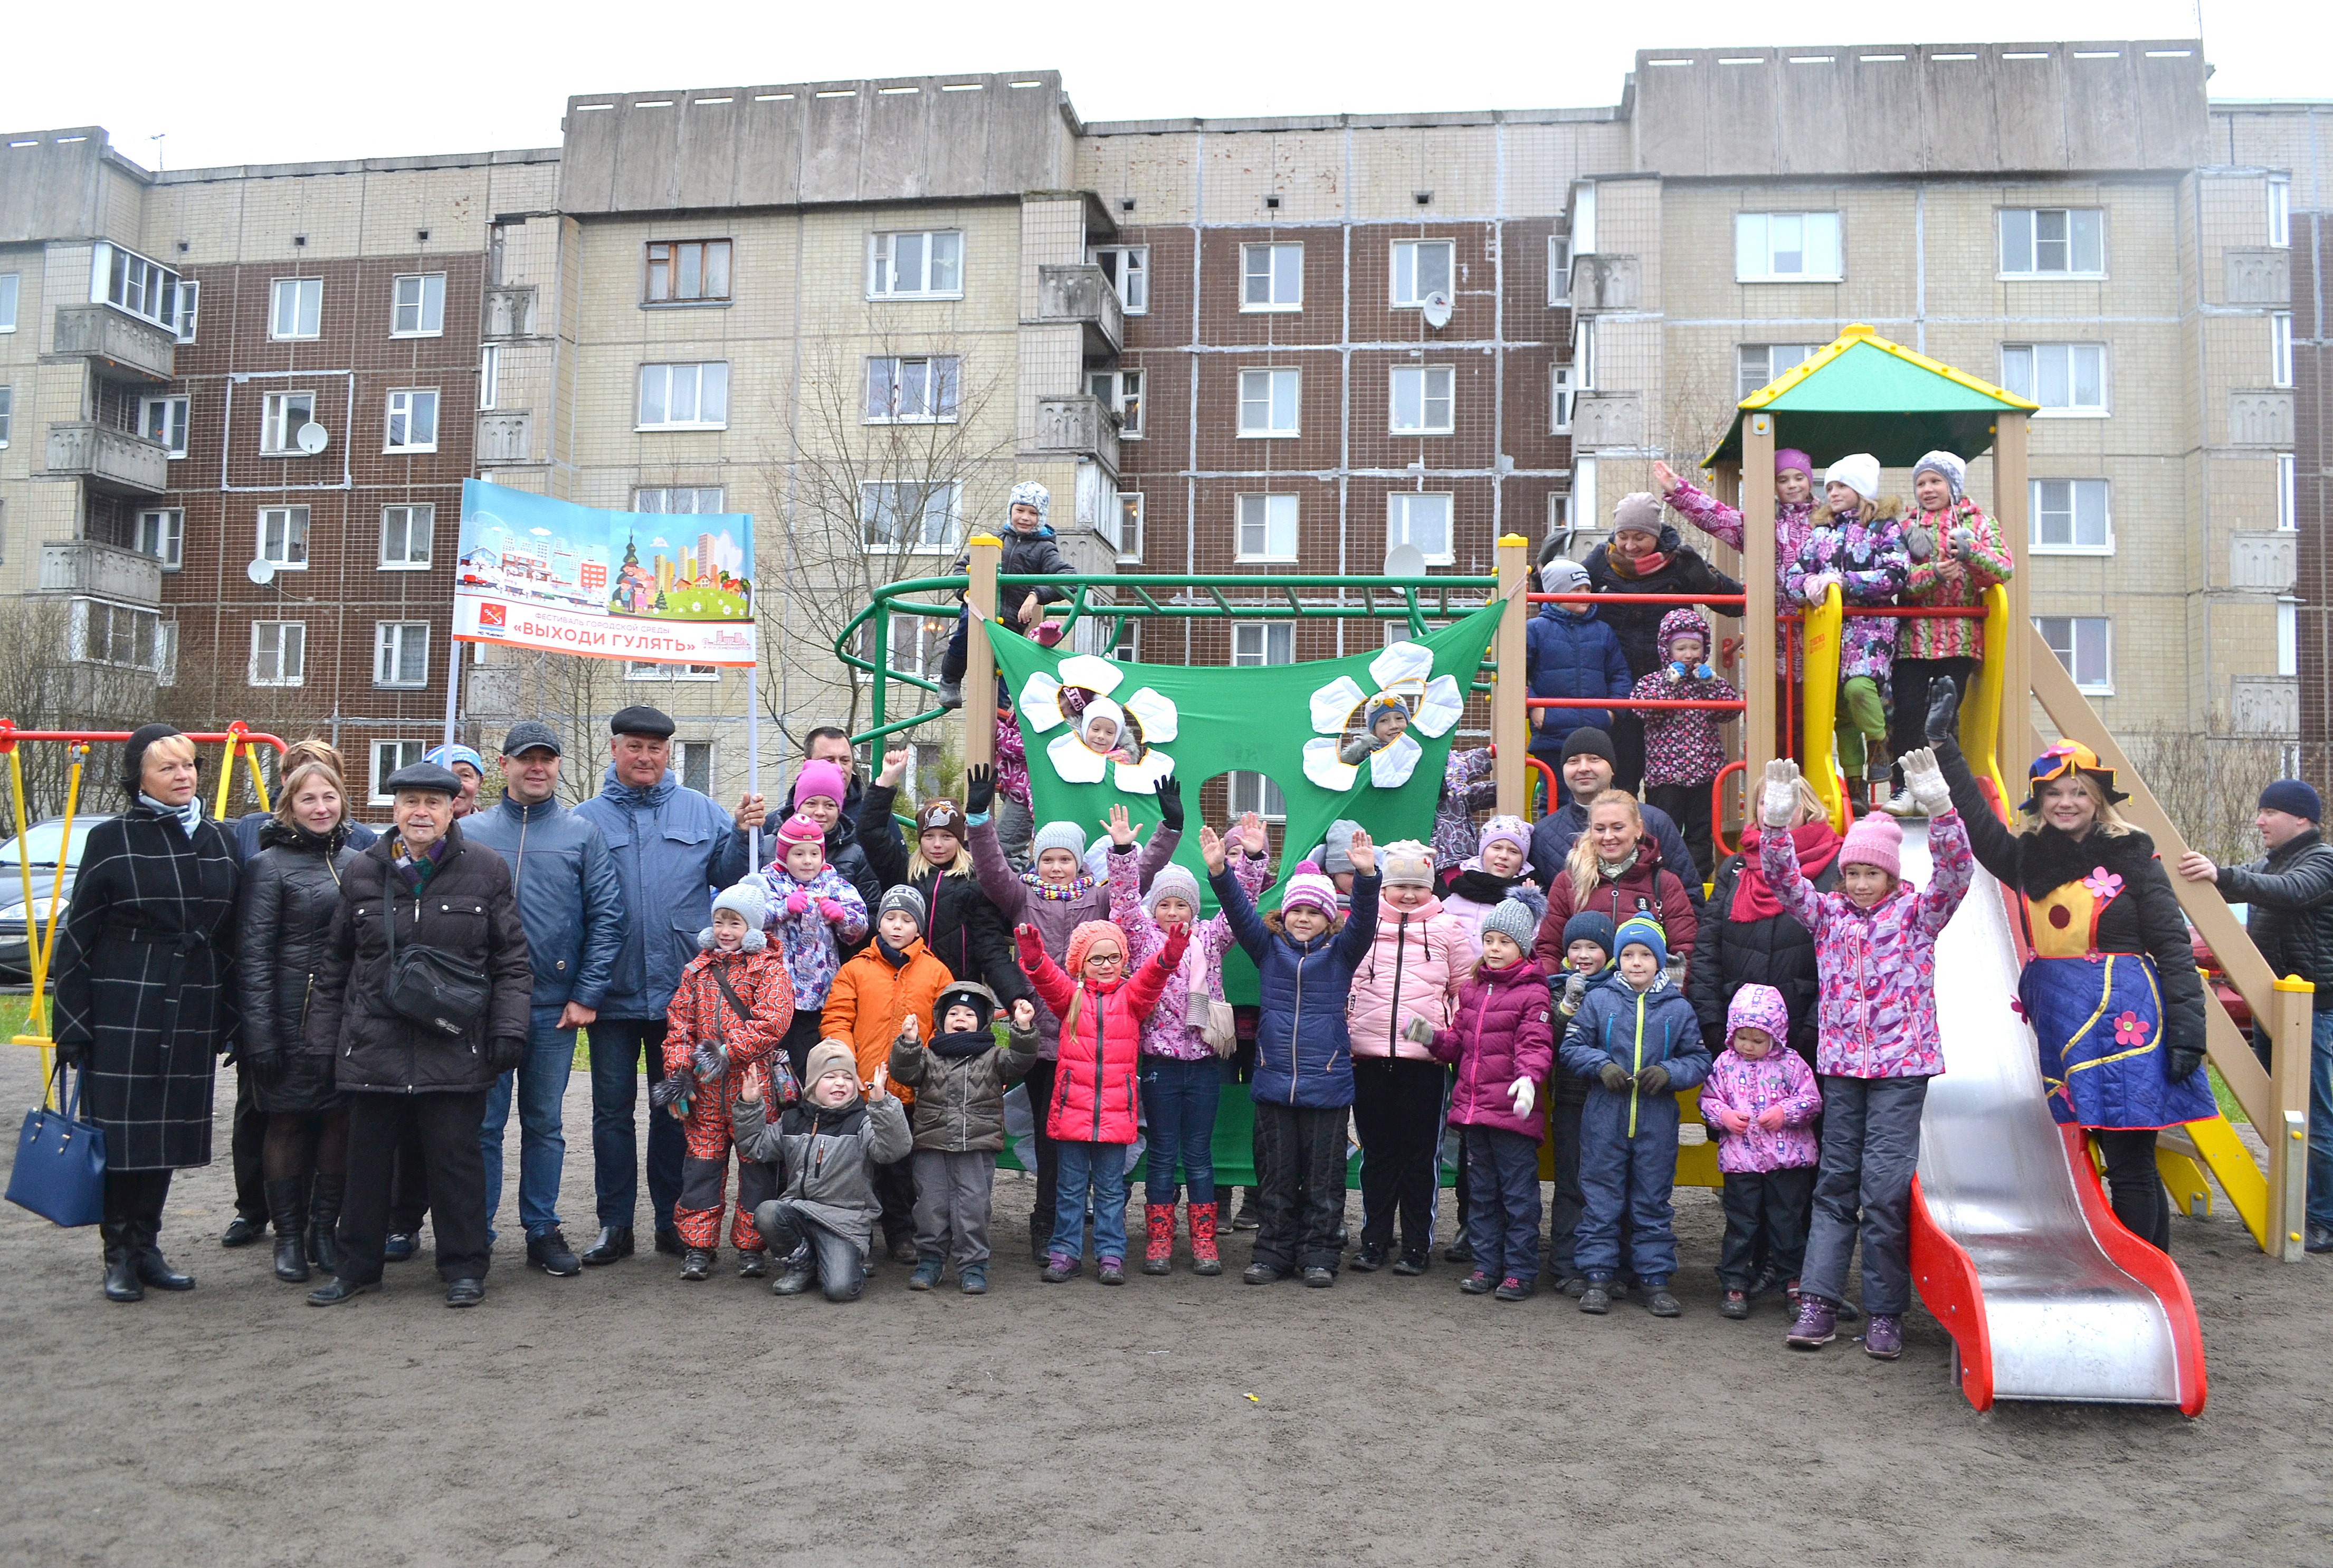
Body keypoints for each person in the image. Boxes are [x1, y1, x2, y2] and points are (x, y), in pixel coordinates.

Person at [1929, 693, 2213, 1257]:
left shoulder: (2135, 857)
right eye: (2054, 792)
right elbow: (1976, 822)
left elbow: (2173, 950)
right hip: (2060, 1020)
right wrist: (1945, 748)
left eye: (2078, 791)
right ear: (2039, 801)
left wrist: (2189, 1030)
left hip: (2126, 1020)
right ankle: (2119, 1261)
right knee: (2091, 1151)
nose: (2066, 802)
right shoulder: (2025, 859)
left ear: (2098, 799)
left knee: (2130, 1158)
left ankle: (2148, 1273)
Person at [1759, 748, 1973, 1358]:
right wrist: (1775, 825)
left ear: (1889, 875)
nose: (1856, 883)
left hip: (1900, 1070)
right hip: (1842, 1069)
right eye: (1850, 872)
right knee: (1833, 1184)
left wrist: (1940, 808)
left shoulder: (1916, 916)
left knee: (1881, 1190)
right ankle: (1819, 1301)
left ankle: (1884, 1311)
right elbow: (1780, 879)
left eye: (1869, 874)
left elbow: (1957, 873)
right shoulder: (1826, 916)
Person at [304, 761, 532, 1308]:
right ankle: (356, 1266)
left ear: (453, 807)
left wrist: (507, 1029)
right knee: (366, 1166)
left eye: (433, 802)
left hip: (454, 1045)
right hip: (373, 1046)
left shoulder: (485, 868)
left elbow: (513, 962)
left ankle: (463, 1267)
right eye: (410, 801)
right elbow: (334, 968)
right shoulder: (361, 870)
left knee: (456, 1163)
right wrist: (320, 1042)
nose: (420, 812)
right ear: (395, 808)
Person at [52, 725, 240, 1303]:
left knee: (162, 1137)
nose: (184, 776)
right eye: (168, 768)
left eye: (190, 765)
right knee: (121, 1135)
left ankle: (149, 1247)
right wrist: (72, 1023)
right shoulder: (112, 837)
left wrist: (230, 1015)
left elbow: (231, 933)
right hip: (123, 1002)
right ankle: (119, 1252)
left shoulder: (219, 837)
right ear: (139, 778)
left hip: (190, 1003)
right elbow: (77, 935)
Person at [570, 704, 763, 1266]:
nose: (646, 757)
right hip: (610, 991)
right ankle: (614, 1223)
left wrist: (743, 831)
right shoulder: (584, 819)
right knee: (609, 1111)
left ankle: (670, 1220)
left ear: (668, 753)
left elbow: (731, 883)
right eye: (635, 746)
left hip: (682, 995)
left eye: (656, 748)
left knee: (675, 1109)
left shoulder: (701, 812)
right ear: (615, 750)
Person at [964, 762, 1178, 1262]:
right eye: (1048, 859)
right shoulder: (1020, 897)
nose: (1056, 867)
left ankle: (1095, 1225)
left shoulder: (1098, 898)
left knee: (1099, 1139)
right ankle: (1047, 1225)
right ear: (1037, 862)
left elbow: (1139, 874)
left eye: (1065, 860)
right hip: (1040, 1038)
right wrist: (978, 817)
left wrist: (1170, 829)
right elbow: (992, 866)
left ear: (1079, 863)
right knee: (1049, 1138)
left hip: (1094, 1039)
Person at [461, 721, 626, 1278]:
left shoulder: (581, 834)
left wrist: (586, 993)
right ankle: (475, 1231)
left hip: (553, 1005)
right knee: (482, 1125)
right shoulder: (473, 832)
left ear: (557, 766)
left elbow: (608, 917)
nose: (537, 768)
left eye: (546, 759)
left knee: (544, 1123)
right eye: (525, 758)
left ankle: (541, 1226)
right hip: (482, 1007)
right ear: (503, 764)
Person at [221, 740, 376, 1252]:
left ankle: (321, 1231)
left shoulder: (359, 862)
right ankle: (286, 1236)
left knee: (338, 1125)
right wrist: (259, 1033)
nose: (321, 807)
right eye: (309, 799)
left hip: (344, 1021)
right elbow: (254, 956)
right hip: (287, 1021)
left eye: (329, 797)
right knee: (284, 1124)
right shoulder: (268, 866)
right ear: (290, 805)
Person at [1207, 831, 1380, 1288]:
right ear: (1284, 915)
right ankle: (1272, 1253)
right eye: (1296, 911)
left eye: (1313, 913)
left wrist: (1366, 877)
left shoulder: (1342, 954)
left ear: (1328, 919)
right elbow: (1240, 915)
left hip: (1327, 1085)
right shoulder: (1268, 950)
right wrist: (1221, 873)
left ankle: (1319, 1255)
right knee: (1275, 1177)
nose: (1303, 919)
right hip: (1274, 1083)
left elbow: (1363, 921)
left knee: (1323, 1180)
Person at [1109, 810, 1272, 1277]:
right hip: (1158, 1061)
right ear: (1154, 909)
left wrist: (1253, 858)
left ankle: (1204, 1240)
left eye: (1182, 905)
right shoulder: (1141, 940)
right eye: (1165, 905)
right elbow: (1122, 901)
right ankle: (1160, 1239)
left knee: (1198, 1154)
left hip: (1203, 1063)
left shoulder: (1211, 938)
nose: (1174, 912)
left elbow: (1242, 903)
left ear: (1193, 908)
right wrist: (1123, 852)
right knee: (1162, 1153)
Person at [2178, 779, 2333, 1252]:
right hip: (2274, 1007)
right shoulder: (2272, 861)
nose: (2259, 821)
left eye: (2270, 812)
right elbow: (2235, 885)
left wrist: (2220, 875)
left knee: (2314, 1115)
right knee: (2279, 1112)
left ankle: (2322, 1219)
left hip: (2311, 1010)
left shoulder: (2321, 860)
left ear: (2301, 819)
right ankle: (2295, 1208)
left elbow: (2288, 891)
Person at [1018, 913, 1192, 1286]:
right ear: (1081, 964)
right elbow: (1047, 980)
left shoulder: (1131, 999)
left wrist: (1170, 953)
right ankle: (1064, 1251)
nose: (1106, 965)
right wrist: (1034, 959)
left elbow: (1153, 977)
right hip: (1072, 1114)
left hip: (1115, 1114)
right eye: (1096, 959)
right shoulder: (1071, 998)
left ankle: (1110, 1254)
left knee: (1112, 1190)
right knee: (1069, 1188)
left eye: (1113, 957)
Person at [1560, 916, 1709, 1318]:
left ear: (1660, 962)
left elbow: (1698, 1059)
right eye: (1628, 954)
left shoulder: (1678, 1009)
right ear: (1618, 960)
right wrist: (1601, 1065)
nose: (1636, 962)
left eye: (1645, 955)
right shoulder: (1600, 999)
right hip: (1603, 1121)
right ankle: (1596, 1276)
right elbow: (1572, 1047)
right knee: (1600, 1202)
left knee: (1652, 1204)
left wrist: (1669, 1073)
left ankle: (1654, 1279)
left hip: (1655, 1124)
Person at [1415, 891, 1554, 1302]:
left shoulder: (1533, 992)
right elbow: (1458, 1043)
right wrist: (1431, 1039)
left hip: (1512, 1114)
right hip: (1473, 1113)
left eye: (1504, 943)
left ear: (1522, 945)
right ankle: (1486, 1265)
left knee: (1518, 1197)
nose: (1494, 950)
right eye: (1490, 941)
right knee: (1481, 1195)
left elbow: (1536, 1042)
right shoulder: (1473, 991)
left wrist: (1528, 1079)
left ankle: (1520, 1271)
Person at [1347, 839, 1475, 1275]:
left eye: (1416, 886)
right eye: (1398, 884)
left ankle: (1417, 1246)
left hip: (1423, 1065)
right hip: (1367, 1059)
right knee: (1378, 1156)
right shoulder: (1363, 925)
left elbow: (1465, 992)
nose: (1406, 894)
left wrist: (1448, 1039)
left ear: (1430, 887)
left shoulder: (1448, 930)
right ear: (1383, 885)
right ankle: (1374, 1241)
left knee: (1420, 1159)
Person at [663, 879, 797, 1282]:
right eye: (720, 921)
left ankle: (752, 1246)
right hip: (704, 1094)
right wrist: (679, 1074)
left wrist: (724, 1053)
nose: (725, 931)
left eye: (735, 923)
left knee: (757, 1171)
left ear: (752, 928)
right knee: (700, 1172)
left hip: (752, 1091)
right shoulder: (697, 971)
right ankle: (698, 1246)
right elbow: (678, 1025)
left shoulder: (769, 970)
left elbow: (772, 1023)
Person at [1878, 450, 2013, 816]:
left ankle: (1939, 789)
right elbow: (1895, 582)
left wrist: (1970, 555)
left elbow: (2002, 570)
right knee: (1906, 714)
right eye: (1921, 483)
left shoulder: (1978, 521)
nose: (1927, 489)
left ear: (1952, 485)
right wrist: (1932, 574)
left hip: (1958, 636)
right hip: (1913, 638)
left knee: (1944, 716)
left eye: (1935, 481)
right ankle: (1904, 787)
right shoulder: (1905, 527)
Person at [822, 885, 949, 1264]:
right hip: (863, 1088)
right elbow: (837, 1018)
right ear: (879, 922)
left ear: (918, 927)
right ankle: (853, 1236)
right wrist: (844, 1055)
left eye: (906, 920)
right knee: (858, 1167)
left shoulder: (936, 971)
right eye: (890, 918)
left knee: (900, 1170)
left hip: (911, 1090)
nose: (897, 926)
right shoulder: (856, 968)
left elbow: (943, 1026)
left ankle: (900, 1234)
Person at [1584, 492, 1743, 793]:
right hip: (1619, 681)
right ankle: (1623, 834)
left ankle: (1669, 835)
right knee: (1624, 770)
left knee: (1670, 776)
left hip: (1670, 683)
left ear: (1656, 535)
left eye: (1640, 537)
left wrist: (1709, 583)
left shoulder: (1679, 562)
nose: (1630, 546)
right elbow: (1566, 596)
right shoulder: (1601, 561)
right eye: (1623, 536)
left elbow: (1735, 604)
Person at [1686, 769, 1841, 1073]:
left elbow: (1842, 953)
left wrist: (1815, 1024)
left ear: (1807, 805)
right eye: (1764, 801)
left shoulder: (1836, 864)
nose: (1772, 807)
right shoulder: (1735, 867)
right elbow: (1707, 949)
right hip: (1739, 1036)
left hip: (1807, 1034)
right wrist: (1712, 1021)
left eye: (1785, 800)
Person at [889, 983, 1041, 1294]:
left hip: (977, 1146)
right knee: (930, 1206)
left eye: (969, 1014)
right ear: (941, 1019)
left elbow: (1021, 1062)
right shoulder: (929, 1056)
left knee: (972, 1207)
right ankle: (930, 1260)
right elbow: (903, 1073)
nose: (961, 1018)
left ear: (983, 1020)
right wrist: (907, 1043)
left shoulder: (995, 1057)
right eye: (954, 1013)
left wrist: (1023, 1030)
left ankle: (973, 1264)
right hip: (932, 1143)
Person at [735, 1043, 913, 1302]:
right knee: (768, 1212)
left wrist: (881, 1104)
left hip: (844, 1223)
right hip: (800, 1212)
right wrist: (750, 1105)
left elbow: (895, 1150)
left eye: (847, 1078)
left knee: (840, 1291)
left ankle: (850, 1262)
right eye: (830, 1077)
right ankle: (802, 1264)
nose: (840, 1084)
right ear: (812, 1083)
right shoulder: (792, 1120)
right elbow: (755, 1146)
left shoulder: (862, 1121)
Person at [857, 746, 1024, 1008]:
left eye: (947, 837)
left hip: (957, 992)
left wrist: (1015, 996)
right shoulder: (904, 873)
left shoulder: (975, 884)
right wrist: (885, 783)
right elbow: (870, 832)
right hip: (905, 988)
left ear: (959, 840)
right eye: (929, 836)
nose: (937, 845)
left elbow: (991, 949)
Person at [1788, 454, 1909, 809]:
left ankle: (1879, 744)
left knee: (1859, 687)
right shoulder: (1822, 531)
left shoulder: (1884, 527)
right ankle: (1853, 785)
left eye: (1841, 486)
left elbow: (1895, 573)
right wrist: (1809, 583)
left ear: (1860, 489)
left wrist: (1845, 582)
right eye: (1829, 487)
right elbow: (1792, 577)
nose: (1833, 493)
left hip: (1869, 625)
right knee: (1838, 708)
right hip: (1830, 629)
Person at [1698, 985, 1822, 1320]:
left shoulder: (1792, 1064)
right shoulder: (1724, 1064)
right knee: (1741, 1224)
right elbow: (1708, 1099)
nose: (1748, 1047)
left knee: (1788, 1224)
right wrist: (1722, 1116)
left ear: (1776, 1035)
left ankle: (1794, 1282)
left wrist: (1785, 1113)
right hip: (1742, 1161)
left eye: (1757, 1040)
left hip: (1788, 1161)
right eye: (1742, 1038)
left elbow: (1811, 1100)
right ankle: (1735, 1281)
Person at [1528, 729, 1704, 915]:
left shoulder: (1655, 821)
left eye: (1594, 759)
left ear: (1612, 768)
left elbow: (1690, 897)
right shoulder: (1543, 835)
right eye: (1573, 761)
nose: (1583, 768)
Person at [937, 479, 1076, 708]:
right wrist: (966, 592)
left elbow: (1069, 578)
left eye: (1032, 513)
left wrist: (1035, 596)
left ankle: (1000, 723)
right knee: (962, 640)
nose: (1024, 517)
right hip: (977, 611)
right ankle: (950, 682)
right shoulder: (993, 541)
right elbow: (961, 569)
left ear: (1040, 517)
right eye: (1019, 510)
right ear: (1011, 510)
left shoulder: (1044, 549)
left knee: (1002, 673)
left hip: (1010, 623)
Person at [1631, 606, 1739, 882]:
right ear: (1667, 651)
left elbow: (1730, 711)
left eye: (1695, 647)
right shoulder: (1653, 682)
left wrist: (1713, 684)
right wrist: (1670, 684)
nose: (1689, 655)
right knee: (1661, 831)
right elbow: (1643, 711)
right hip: (1666, 775)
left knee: (1701, 832)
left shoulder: (1708, 682)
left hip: (1704, 772)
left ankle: (1699, 882)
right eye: (1681, 648)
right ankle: (1660, 881)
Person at [764, 810, 873, 1076]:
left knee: (812, 1056)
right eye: (798, 854)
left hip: (821, 988)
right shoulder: (768, 881)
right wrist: (783, 909)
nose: (807, 861)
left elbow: (860, 926)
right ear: (783, 855)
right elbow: (748, 917)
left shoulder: (833, 884)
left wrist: (842, 916)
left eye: (814, 854)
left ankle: (812, 1106)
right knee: (781, 1058)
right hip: (778, 989)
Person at [1535, 789, 1698, 965]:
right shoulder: (1568, 881)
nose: (1608, 837)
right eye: (1600, 829)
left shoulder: (1665, 883)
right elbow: (1549, 950)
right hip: (1583, 990)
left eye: (1618, 828)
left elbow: (1684, 950)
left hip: (1647, 991)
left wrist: (1668, 991)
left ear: (1638, 829)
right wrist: (1555, 989)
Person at [1545, 910, 1615, 1294]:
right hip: (1571, 1100)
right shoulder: (1558, 988)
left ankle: (1607, 1267)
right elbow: (1553, 1040)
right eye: (1576, 946)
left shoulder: (1620, 988)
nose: (1584, 954)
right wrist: (1568, 1006)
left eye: (1593, 947)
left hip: (1612, 1100)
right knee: (1570, 1182)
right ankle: (1565, 1265)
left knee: (1609, 1184)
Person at [1526, 557, 1633, 778]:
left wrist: (1612, 712)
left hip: (1596, 732)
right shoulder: (1536, 629)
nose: (1585, 594)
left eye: (1587, 588)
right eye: (1576, 589)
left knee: (1598, 795)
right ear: (1556, 593)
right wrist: (1535, 707)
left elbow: (1620, 674)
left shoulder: (1602, 631)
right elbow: (1517, 674)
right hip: (1553, 731)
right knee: (1555, 794)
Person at [786, 758, 881, 944]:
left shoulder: (854, 854)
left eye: (829, 805)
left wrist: (844, 918)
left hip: (833, 965)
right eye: (811, 804)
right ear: (798, 806)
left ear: (839, 810)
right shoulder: (770, 846)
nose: (820, 812)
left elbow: (874, 917)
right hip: (776, 967)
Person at [1441, 815, 1536, 943]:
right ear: (1483, 852)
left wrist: (1532, 905)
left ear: (1522, 861)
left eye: (1513, 851)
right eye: (1496, 848)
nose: (1503, 856)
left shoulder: (1529, 899)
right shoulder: (1457, 897)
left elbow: (1536, 942)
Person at [1430, 746, 1500, 885]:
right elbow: (1436, 780)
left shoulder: (1429, 754)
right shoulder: (1389, 762)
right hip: (1444, 858)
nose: (1394, 725)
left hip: (1458, 854)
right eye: (1384, 722)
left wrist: (1501, 789)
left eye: (1399, 721)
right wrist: (1487, 753)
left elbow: (1460, 798)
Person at [1338, 694, 1414, 766]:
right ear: (1374, 731)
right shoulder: (1364, 759)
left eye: (1399, 718)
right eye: (1384, 721)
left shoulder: (1418, 751)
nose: (1394, 726)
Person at [423, 743, 488, 817]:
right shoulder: (409, 827)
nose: (456, 784)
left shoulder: (492, 827)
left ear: (479, 783)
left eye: (465, 775)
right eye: (445, 775)